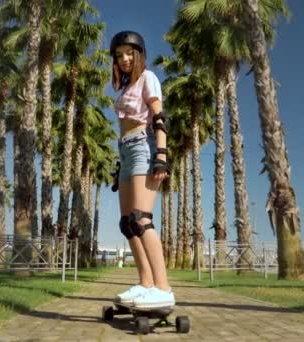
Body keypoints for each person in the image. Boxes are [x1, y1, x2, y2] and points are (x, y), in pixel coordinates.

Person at [109, 30, 174, 309]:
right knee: (127, 223)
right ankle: (145, 283)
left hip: (143, 146)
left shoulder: (149, 78)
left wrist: (161, 154)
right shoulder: (125, 88)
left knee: (141, 218)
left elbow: (159, 118)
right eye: (119, 54)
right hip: (126, 150)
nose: (124, 59)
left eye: (129, 53)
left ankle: (163, 288)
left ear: (139, 55)